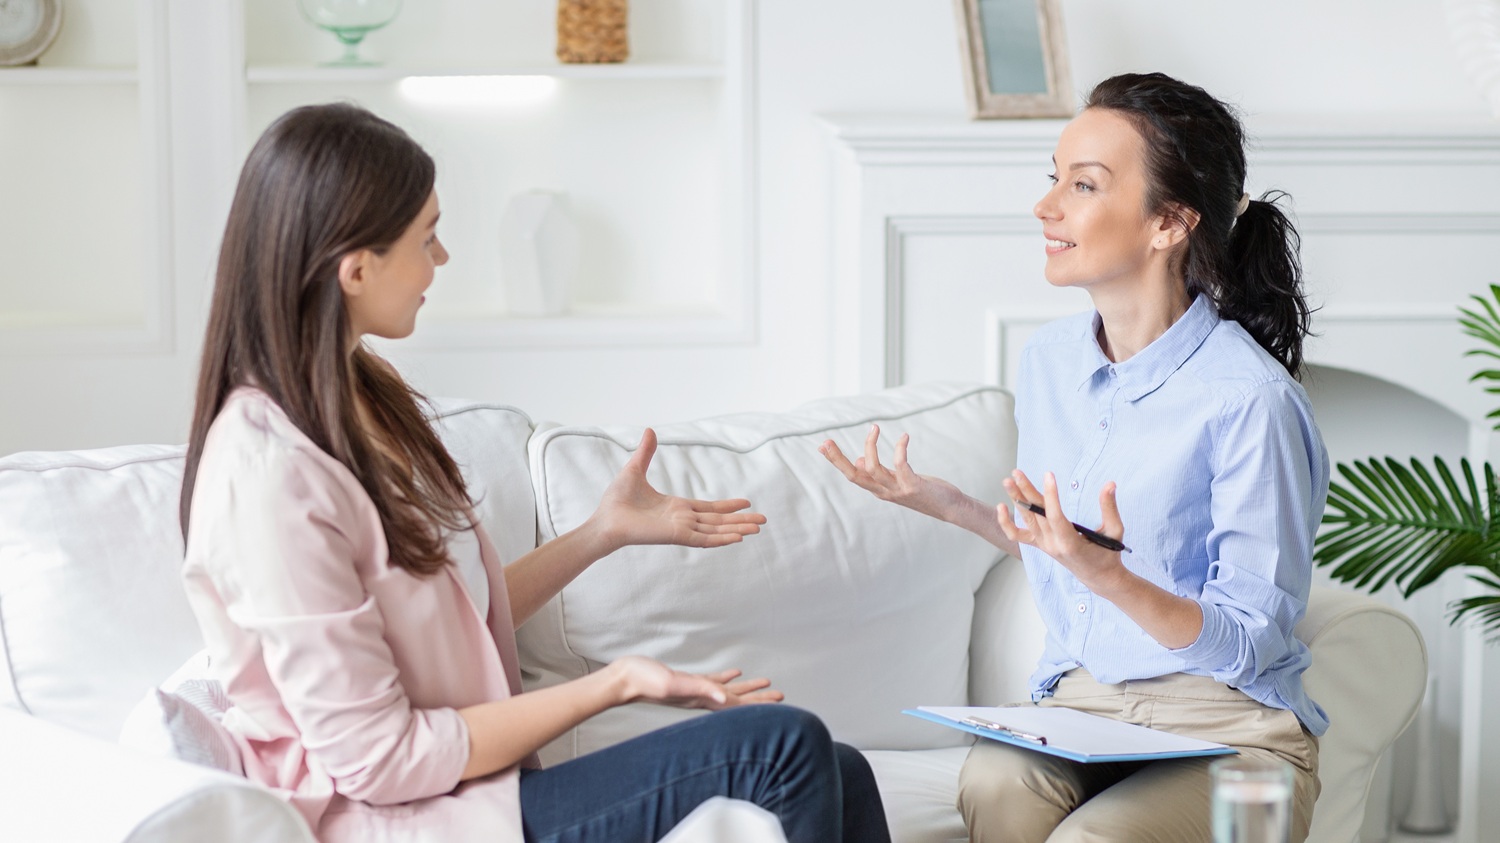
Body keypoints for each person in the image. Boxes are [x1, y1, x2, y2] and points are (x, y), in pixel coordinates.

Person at [179, 102, 890, 843]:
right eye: (427, 237)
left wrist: (603, 532)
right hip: (394, 823)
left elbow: (455, 619)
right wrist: (615, 683)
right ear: (356, 269)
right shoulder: (268, 476)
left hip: (472, 794)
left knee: (842, 769)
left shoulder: (361, 397)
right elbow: (378, 761)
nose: (442, 259)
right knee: (782, 746)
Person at [821, 72, 1327, 843]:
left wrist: (1112, 578)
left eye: (1083, 184)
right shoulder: (1051, 361)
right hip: (1085, 703)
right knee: (993, 781)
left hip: (1228, 724)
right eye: (1054, 177)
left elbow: (1249, 639)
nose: (1046, 205)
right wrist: (948, 505)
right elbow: (1067, 550)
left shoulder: (1251, 399)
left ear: (1169, 223)